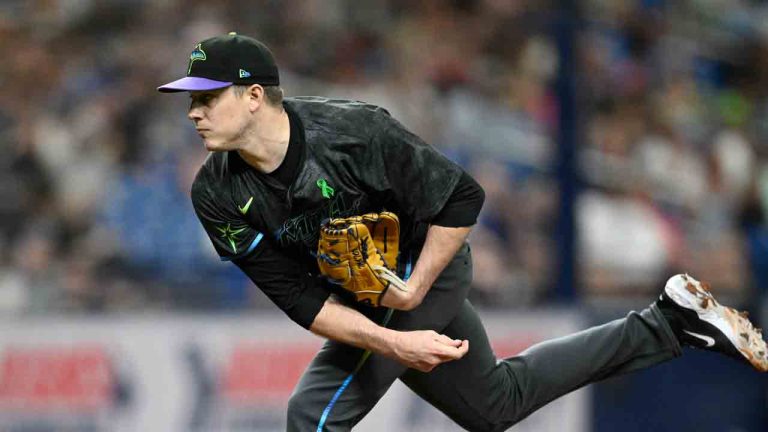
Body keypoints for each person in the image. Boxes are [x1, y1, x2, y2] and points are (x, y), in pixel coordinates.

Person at [158, 33, 768, 431]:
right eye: (191, 99)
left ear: (255, 96)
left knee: (312, 415)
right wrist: (395, 340)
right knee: (493, 404)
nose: (193, 111)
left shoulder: (354, 133)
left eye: (207, 97)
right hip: (368, 296)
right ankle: (668, 323)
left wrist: (417, 289)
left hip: (430, 266)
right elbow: (299, 299)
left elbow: (461, 198)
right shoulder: (215, 191)